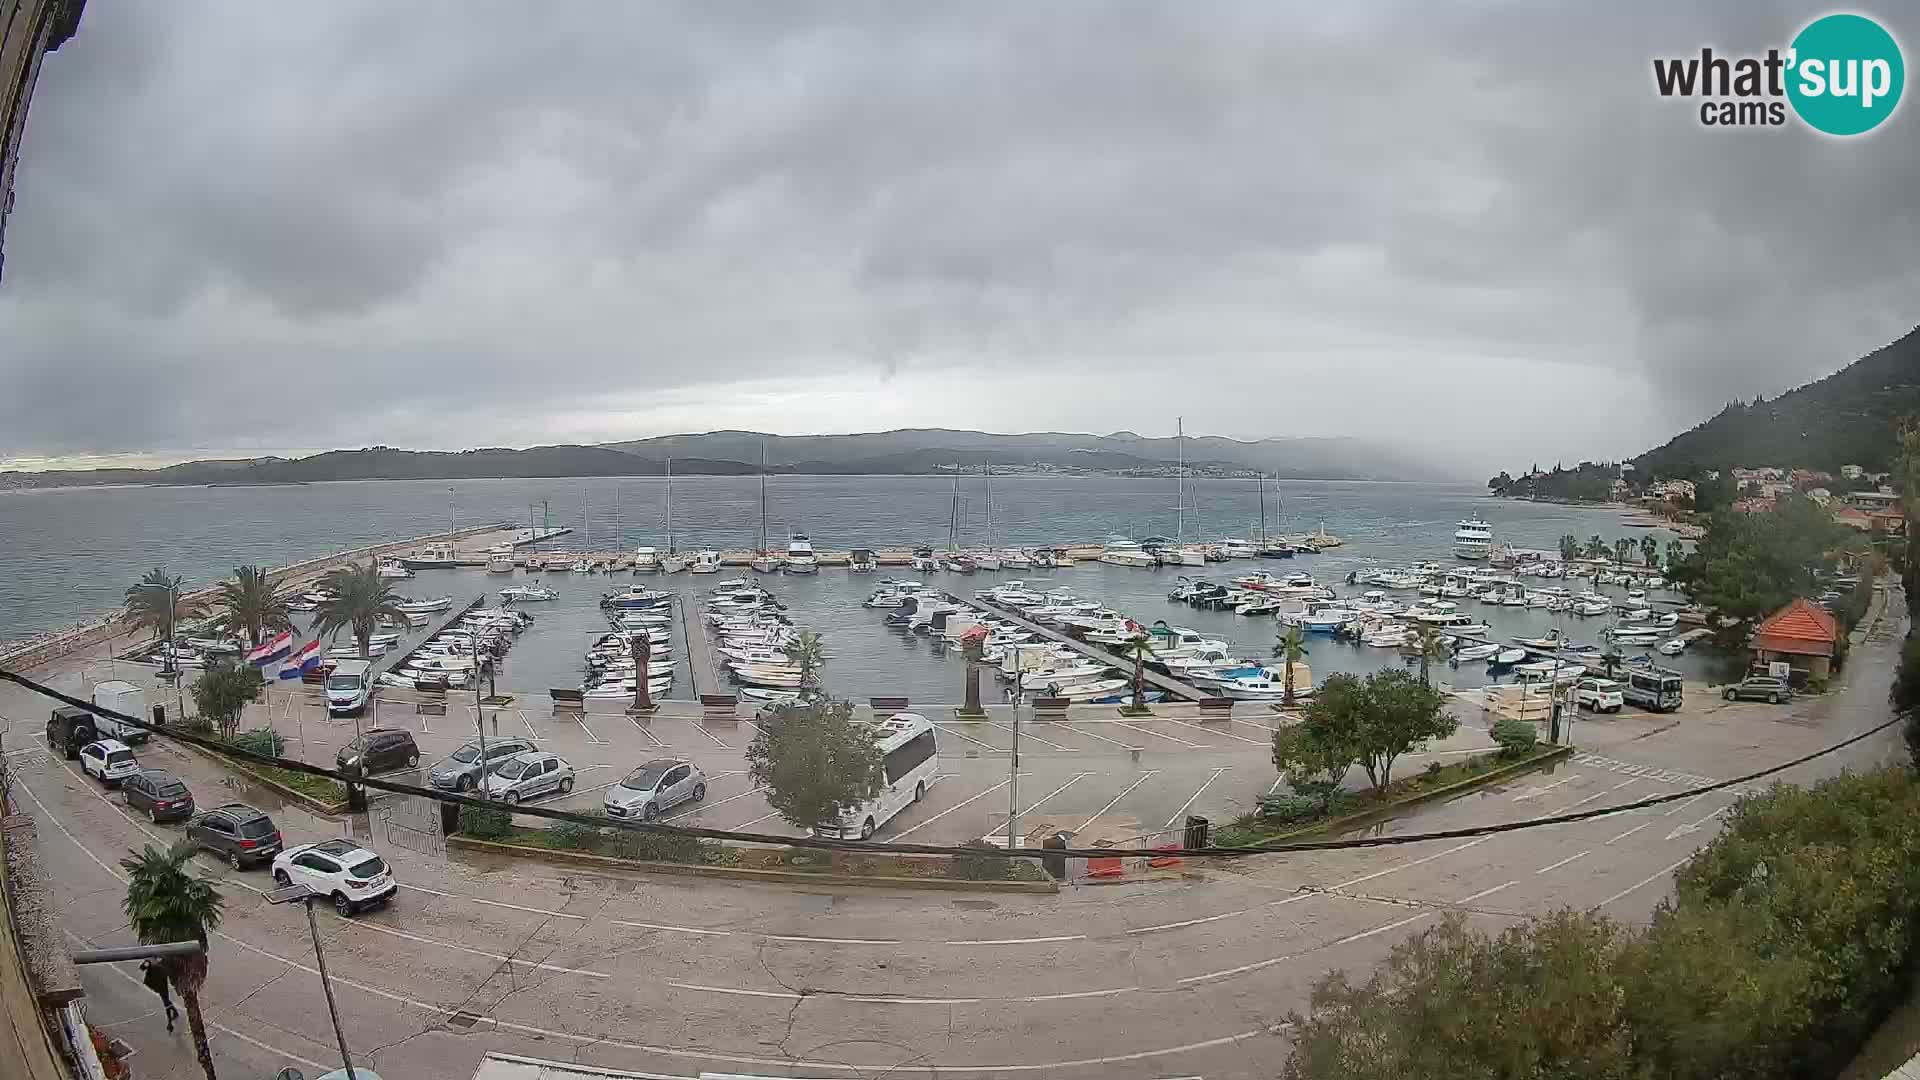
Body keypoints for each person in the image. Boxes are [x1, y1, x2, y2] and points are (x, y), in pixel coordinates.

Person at [140, 958, 179, 1032]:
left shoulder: (155, 962)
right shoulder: (154, 961)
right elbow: (143, 967)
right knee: (166, 1000)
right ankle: (174, 1013)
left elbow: (143, 967)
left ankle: (170, 1020)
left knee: (166, 1001)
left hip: (160, 983)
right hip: (159, 982)